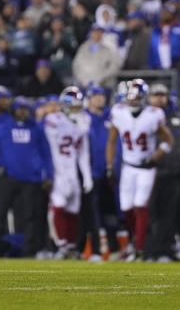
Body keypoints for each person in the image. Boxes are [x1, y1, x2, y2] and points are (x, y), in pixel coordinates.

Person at [106, 79, 174, 261]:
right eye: (130, 98)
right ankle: (133, 241)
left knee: (140, 206)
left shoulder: (153, 115)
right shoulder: (119, 113)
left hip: (146, 168)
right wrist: (110, 165)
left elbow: (169, 141)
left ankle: (140, 248)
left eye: (136, 98)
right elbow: (112, 141)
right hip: (128, 167)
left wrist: (153, 158)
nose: (133, 101)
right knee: (126, 208)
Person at [0, 97, 53, 258]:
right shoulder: (3, 128)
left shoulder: (36, 129)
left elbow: (46, 153)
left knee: (29, 216)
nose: (23, 111)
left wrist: (48, 175)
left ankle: (28, 250)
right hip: (7, 178)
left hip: (31, 180)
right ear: (13, 110)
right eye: (19, 108)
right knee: (0, 214)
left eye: (25, 108)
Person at [145, 84, 180, 262]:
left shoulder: (178, 119)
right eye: (155, 95)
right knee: (150, 213)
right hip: (150, 172)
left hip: (173, 172)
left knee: (169, 215)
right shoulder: (143, 118)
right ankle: (149, 251)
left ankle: (165, 250)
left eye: (162, 95)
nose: (159, 98)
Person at [43, 87, 93, 259]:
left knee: (73, 210)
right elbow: (50, 149)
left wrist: (86, 175)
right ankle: (61, 245)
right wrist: (52, 173)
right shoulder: (53, 120)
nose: (75, 111)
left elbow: (83, 152)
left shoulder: (83, 120)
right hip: (58, 170)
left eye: (78, 107)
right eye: (72, 107)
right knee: (57, 207)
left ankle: (71, 247)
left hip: (72, 171)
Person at [77, 86, 119, 260]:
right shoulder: (83, 117)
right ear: (89, 98)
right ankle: (86, 249)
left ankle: (116, 248)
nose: (100, 99)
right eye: (96, 95)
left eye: (102, 95)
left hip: (110, 170)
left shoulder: (113, 115)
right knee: (91, 214)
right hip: (91, 172)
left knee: (111, 212)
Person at [72, 25, 122, 90]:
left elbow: (115, 65)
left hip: (103, 85)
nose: (97, 34)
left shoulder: (109, 47)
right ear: (90, 33)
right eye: (95, 32)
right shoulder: (83, 48)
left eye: (99, 32)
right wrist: (83, 80)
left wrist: (101, 77)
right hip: (84, 85)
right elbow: (76, 65)